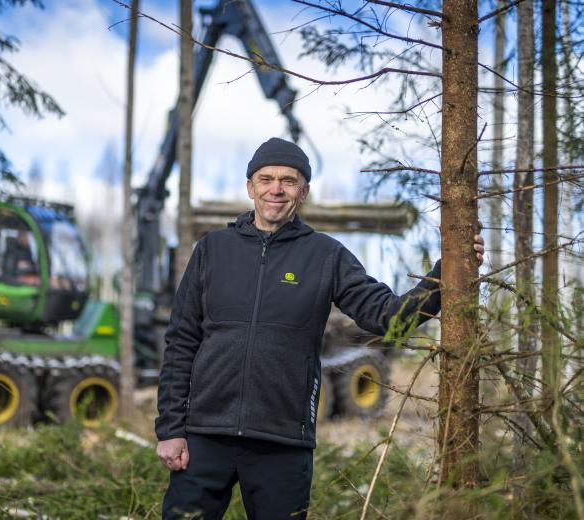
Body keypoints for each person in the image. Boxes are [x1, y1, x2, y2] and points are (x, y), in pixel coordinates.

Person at [154, 137, 485, 519]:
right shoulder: (212, 250)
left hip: (282, 444)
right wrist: (171, 428)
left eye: (288, 181)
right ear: (250, 187)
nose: (276, 189)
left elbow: (388, 318)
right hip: (204, 437)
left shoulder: (326, 255)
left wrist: (448, 272)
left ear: (304, 191)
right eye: (266, 179)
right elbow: (181, 342)